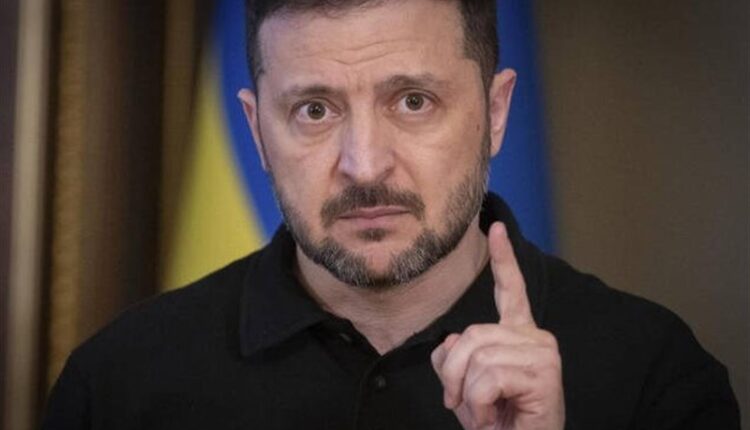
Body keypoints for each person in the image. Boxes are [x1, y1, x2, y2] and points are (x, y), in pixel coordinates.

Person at [42, 0, 740, 429]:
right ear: (256, 132)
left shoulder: (656, 378)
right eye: (314, 110)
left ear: (495, 112)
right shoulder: (118, 386)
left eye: (412, 101)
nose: (365, 164)